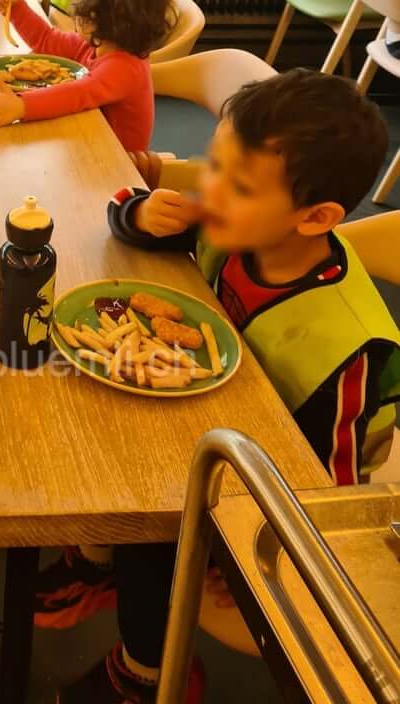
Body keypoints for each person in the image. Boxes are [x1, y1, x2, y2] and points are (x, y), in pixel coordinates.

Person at [54, 70, 400, 704]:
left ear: (315, 216)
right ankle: (94, 562)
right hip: (200, 414)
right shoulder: (238, 225)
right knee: (81, 415)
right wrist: (139, 213)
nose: (209, 189)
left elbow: (333, 484)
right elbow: (134, 218)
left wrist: (263, 540)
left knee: (154, 525)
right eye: (215, 164)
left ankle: (149, 672)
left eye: (234, 183)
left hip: (267, 482)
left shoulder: (350, 346)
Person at [0, 0, 172, 152]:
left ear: (110, 22)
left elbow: (78, 93)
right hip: (87, 144)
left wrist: (20, 106)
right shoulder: (98, 45)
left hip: (118, 165)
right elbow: (46, 40)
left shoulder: (124, 67)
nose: (78, 12)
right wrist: (16, 7)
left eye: (86, 8)